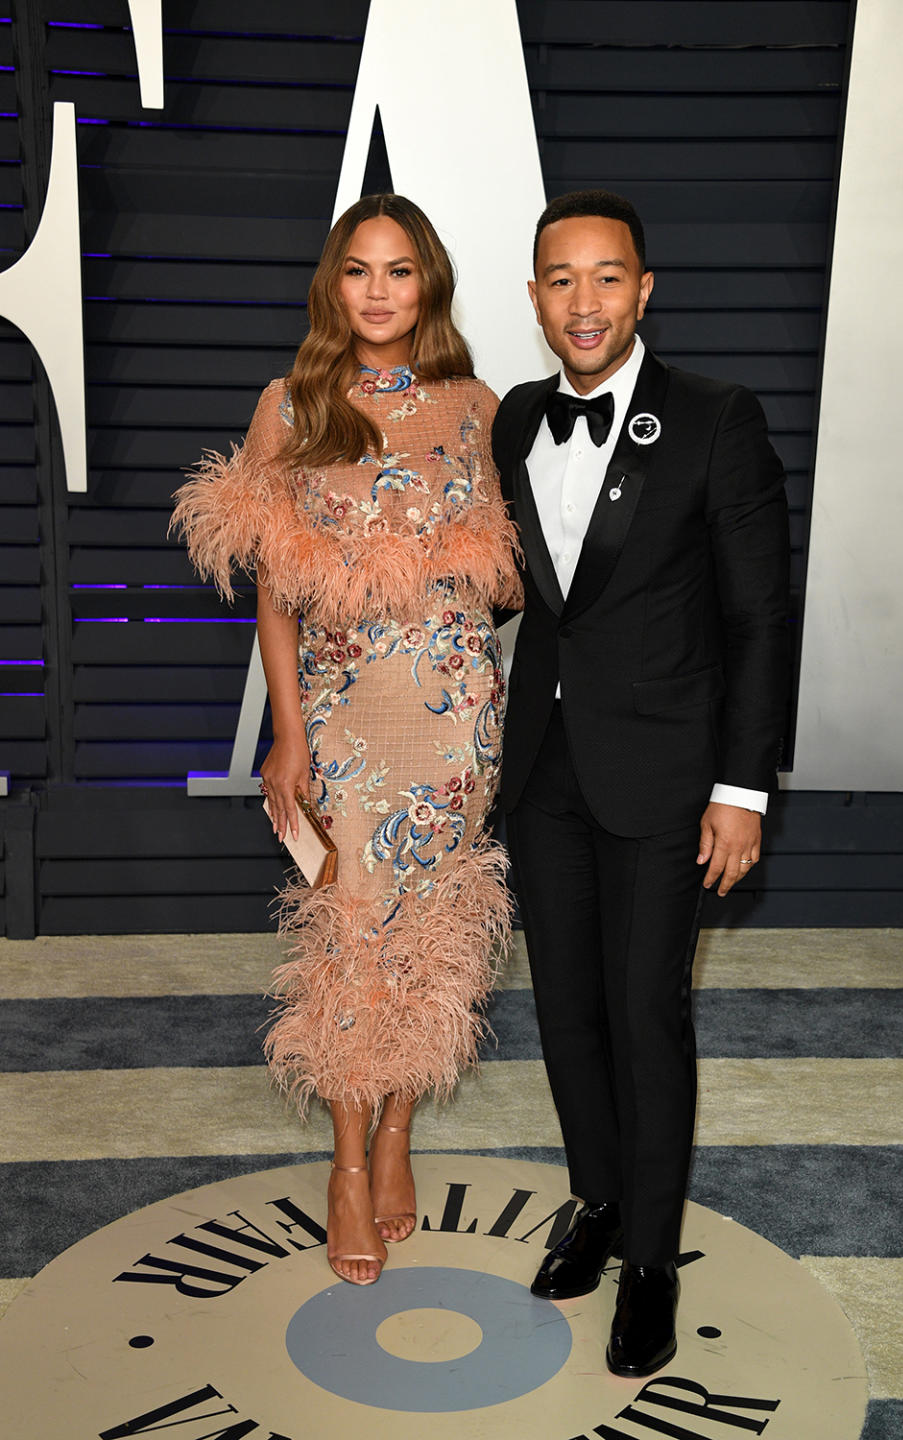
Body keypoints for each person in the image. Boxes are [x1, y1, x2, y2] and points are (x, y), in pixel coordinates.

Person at [172, 193, 519, 1287]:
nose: (379, 290)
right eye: (359, 270)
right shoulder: (291, 404)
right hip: (340, 714)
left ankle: (401, 1134)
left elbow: (512, 577)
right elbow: (273, 592)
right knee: (351, 937)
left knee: (436, 931)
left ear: (430, 284)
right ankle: (344, 1163)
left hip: (457, 710)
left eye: (400, 270)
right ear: (335, 285)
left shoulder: (477, 407)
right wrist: (287, 735)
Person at [491, 190, 790, 1377]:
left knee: (644, 1014)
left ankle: (654, 1266)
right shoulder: (513, 420)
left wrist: (743, 789)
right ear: (533, 298)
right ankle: (601, 1202)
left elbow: (760, 619)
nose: (584, 303)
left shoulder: (717, 419)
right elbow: (518, 588)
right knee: (565, 1009)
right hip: (546, 768)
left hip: (671, 774)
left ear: (645, 288)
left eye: (607, 278)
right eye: (561, 281)